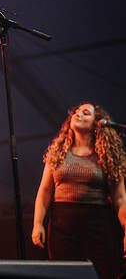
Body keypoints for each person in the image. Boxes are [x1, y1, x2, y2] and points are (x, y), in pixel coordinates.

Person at [31, 102, 126, 279]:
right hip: (62, 224)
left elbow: (120, 198)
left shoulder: (108, 155)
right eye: (76, 112)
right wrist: (38, 223)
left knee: (102, 273)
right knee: (64, 274)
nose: (78, 114)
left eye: (85, 113)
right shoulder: (57, 152)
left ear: (98, 123)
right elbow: (44, 190)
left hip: (98, 223)